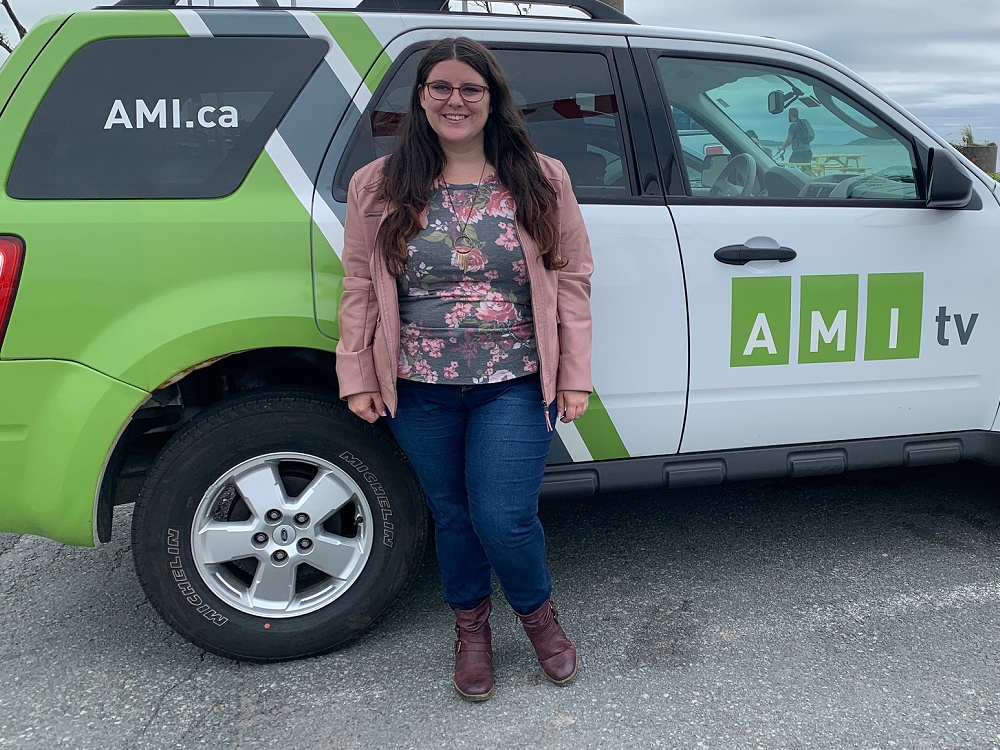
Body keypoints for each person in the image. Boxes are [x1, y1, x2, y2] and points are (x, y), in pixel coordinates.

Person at [335, 36, 594, 702]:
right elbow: (360, 287)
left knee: (503, 518)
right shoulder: (378, 186)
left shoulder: (542, 178)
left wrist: (573, 375)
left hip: (513, 381)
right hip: (419, 387)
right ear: (420, 99)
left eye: (469, 88)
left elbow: (572, 280)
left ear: (492, 97)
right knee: (452, 517)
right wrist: (357, 373)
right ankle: (471, 632)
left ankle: (538, 619)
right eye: (440, 88)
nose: (455, 100)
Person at [778, 107, 813, 172]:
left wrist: (782, 147)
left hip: (798, 152)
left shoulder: (793, 125)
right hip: (808, 151)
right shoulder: (802, 124)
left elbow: (788, 140)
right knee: (807, 171)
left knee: (791, 169)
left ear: (790, 115)